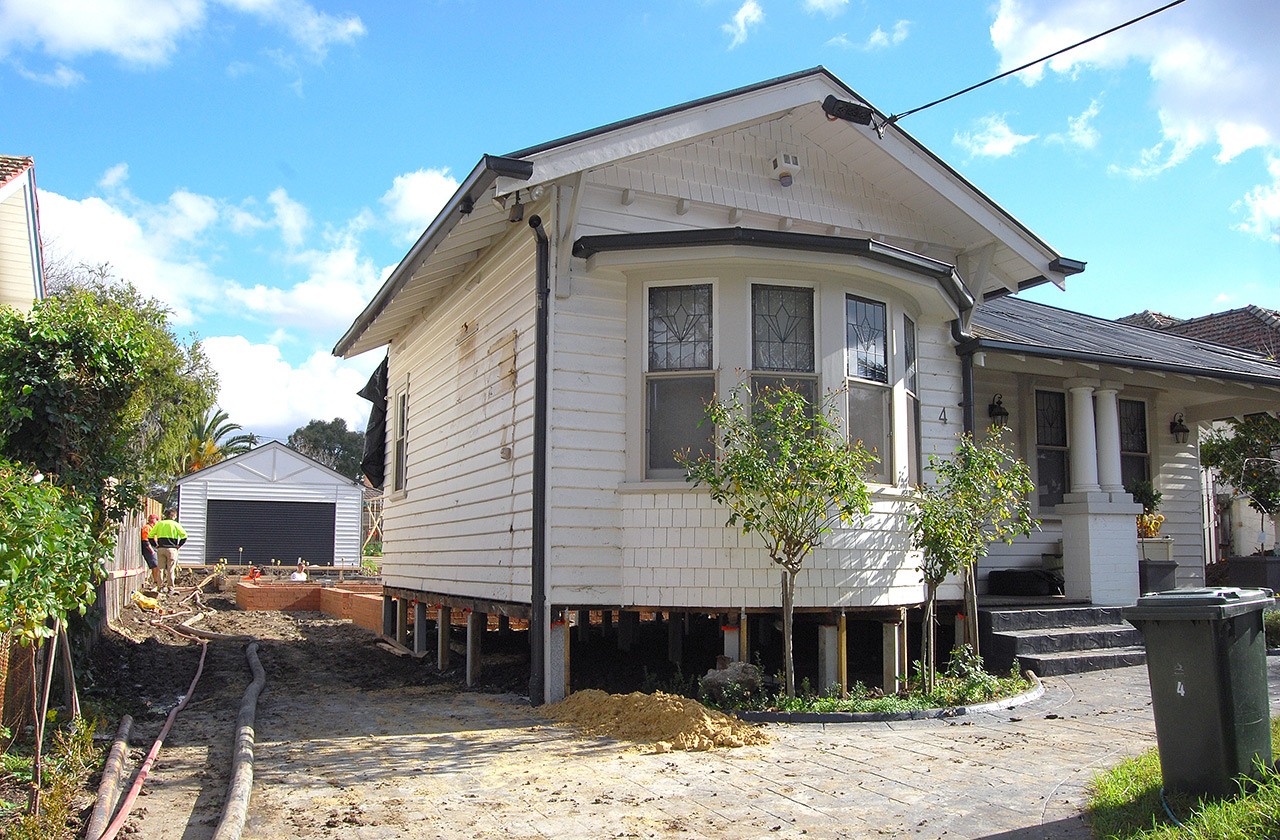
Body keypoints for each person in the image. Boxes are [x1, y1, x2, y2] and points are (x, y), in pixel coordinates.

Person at [150, 508, 188, 590]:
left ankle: (160, 586)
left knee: (160, 569)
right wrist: (179, 545)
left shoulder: (159, 524)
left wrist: (155, 545)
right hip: (172, 549)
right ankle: (170, 587)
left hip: (161, 548)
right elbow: (184, 536)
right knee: (171, 569)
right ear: (173, 516)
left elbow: (150, 536)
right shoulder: (175, 524)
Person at [140, 513, 160, 590]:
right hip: (149, 549)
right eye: (156, 520)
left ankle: (157, 581)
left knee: (156, 566)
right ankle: (156, 582)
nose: (157, 522)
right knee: (155, 566)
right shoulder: (147, 528)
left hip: (154, 548)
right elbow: (145, 540)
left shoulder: (153, 528)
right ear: (153, 520)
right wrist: (151, 550)